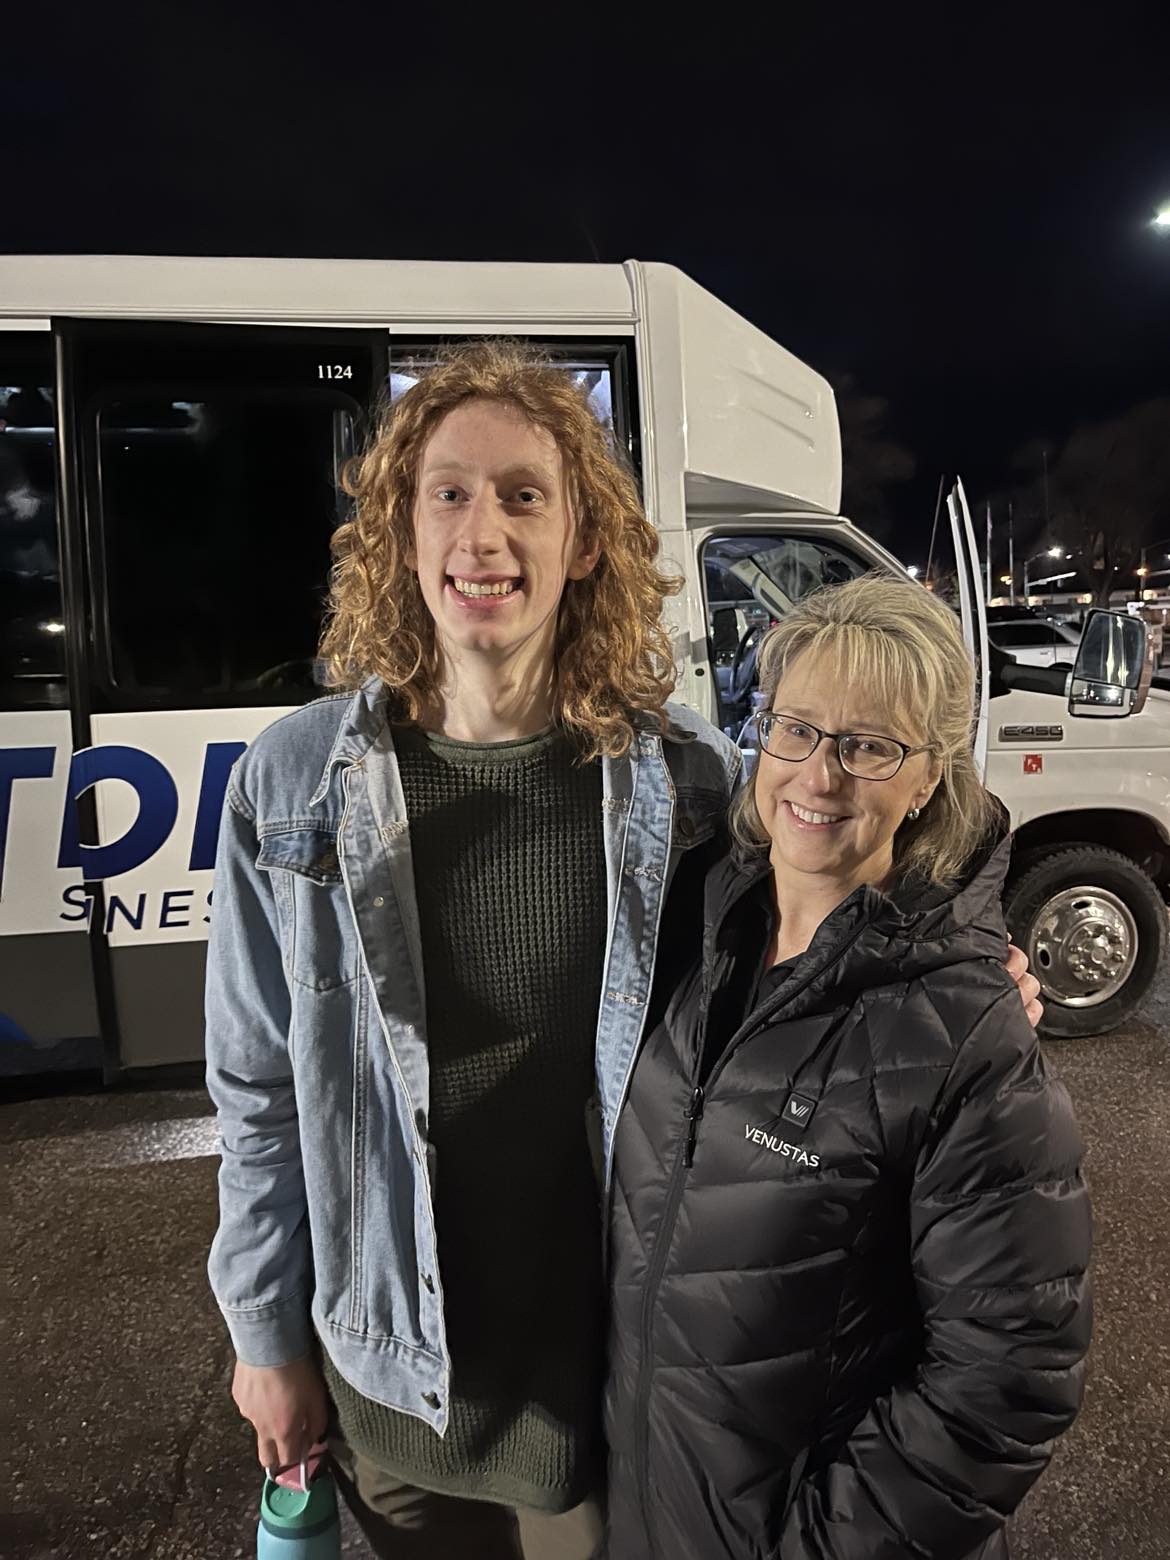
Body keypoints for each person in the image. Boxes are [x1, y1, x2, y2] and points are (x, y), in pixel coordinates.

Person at [205, 345, 1043, 1559]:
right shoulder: (290, 787)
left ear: (586, 541)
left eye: (522, 494)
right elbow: (259, 1097)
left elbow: (849, 908)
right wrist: (264, 1337)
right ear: (398, 528)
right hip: (391, 1390)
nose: (480, 531)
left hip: (606, 1392)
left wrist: (977, 976)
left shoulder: (687, 779)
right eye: (446, 492)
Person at [604, 573, 1089, 1560]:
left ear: (928, 779)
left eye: (869, 746)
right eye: (797, 730)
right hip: (648, 1515)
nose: (819, 776)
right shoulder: (698, 931)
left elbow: (1009, 1379)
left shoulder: (965, 1031)